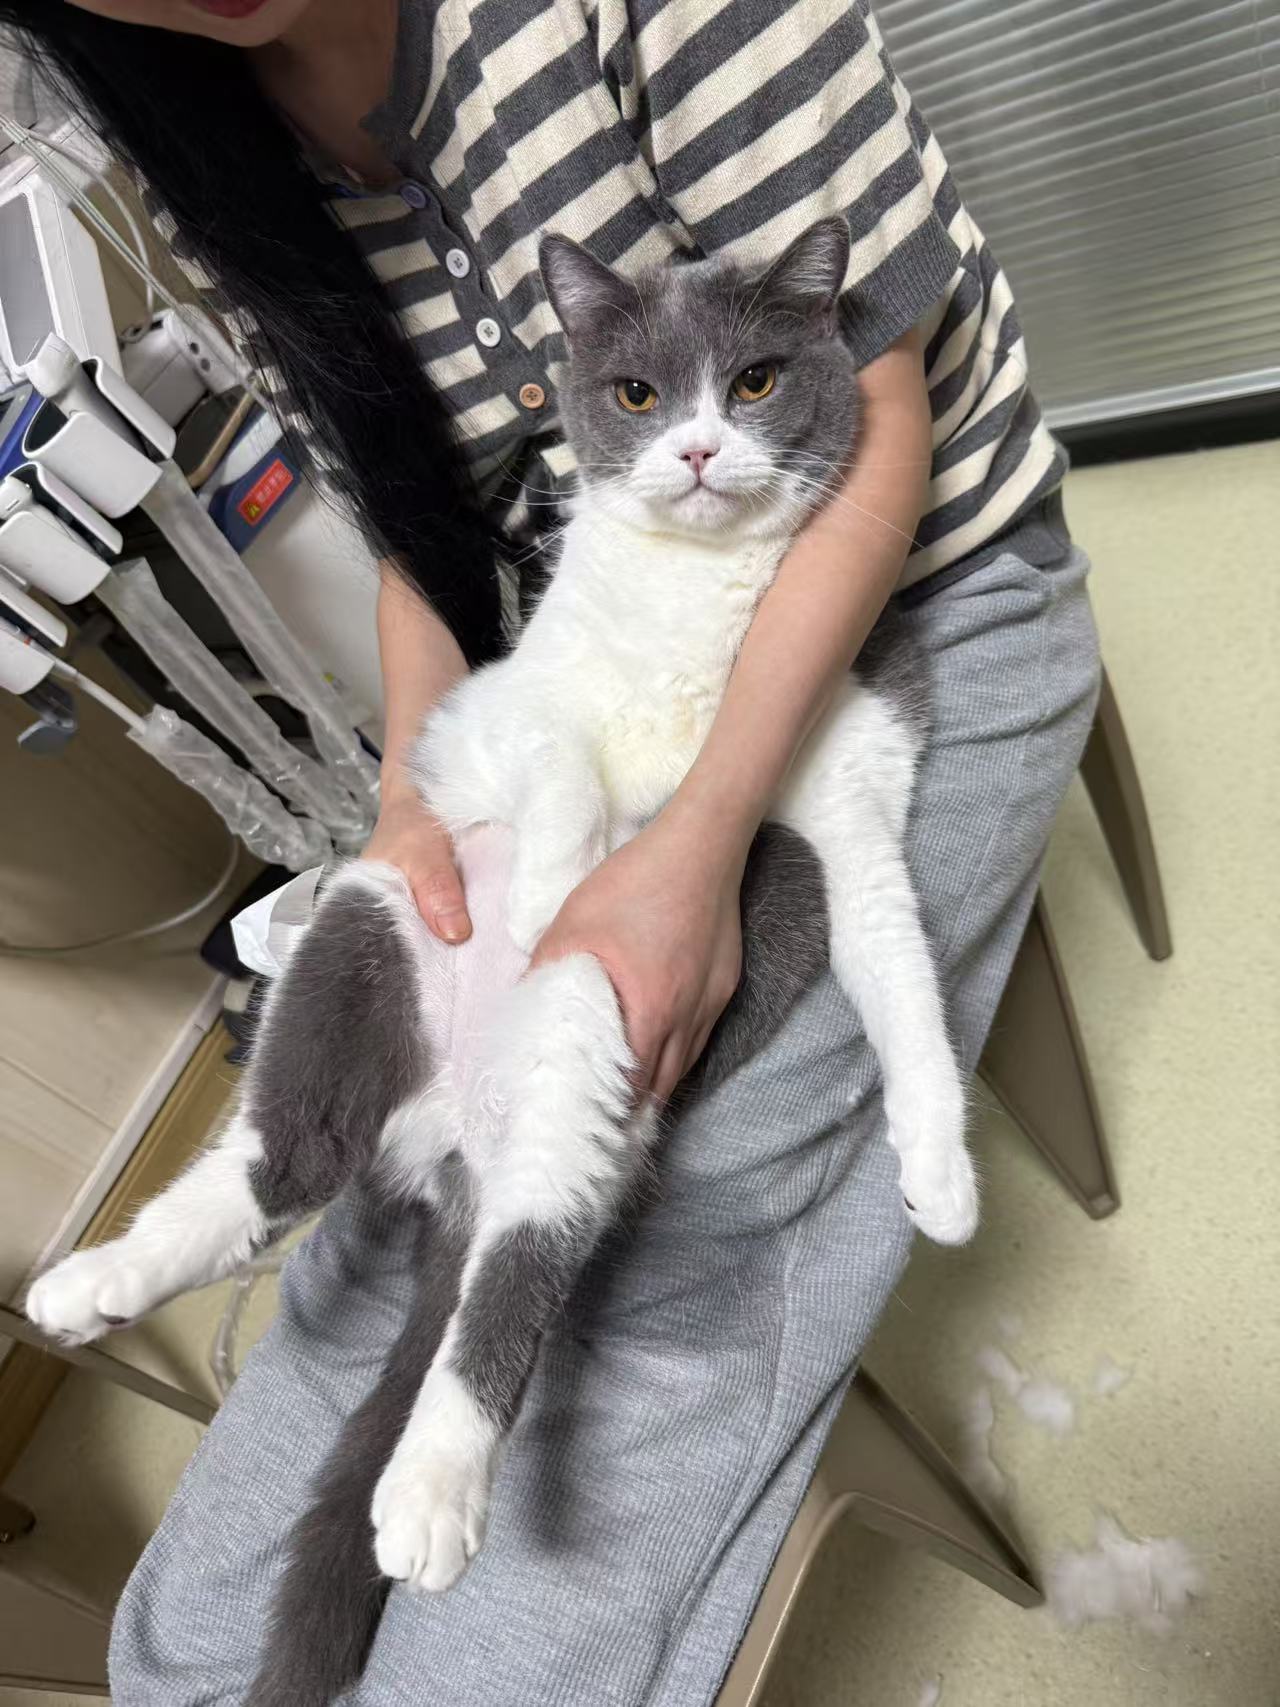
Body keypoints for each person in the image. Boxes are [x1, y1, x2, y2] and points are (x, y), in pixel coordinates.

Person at [5, 2, 1100, 1700]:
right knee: (388, 1173)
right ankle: (206, 1664)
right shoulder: (211, 156)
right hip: (622, 651)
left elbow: (878, 404)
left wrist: (700, 849)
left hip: (909, 602)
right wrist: (411, 806)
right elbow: (415, 531)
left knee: (675, 1208)